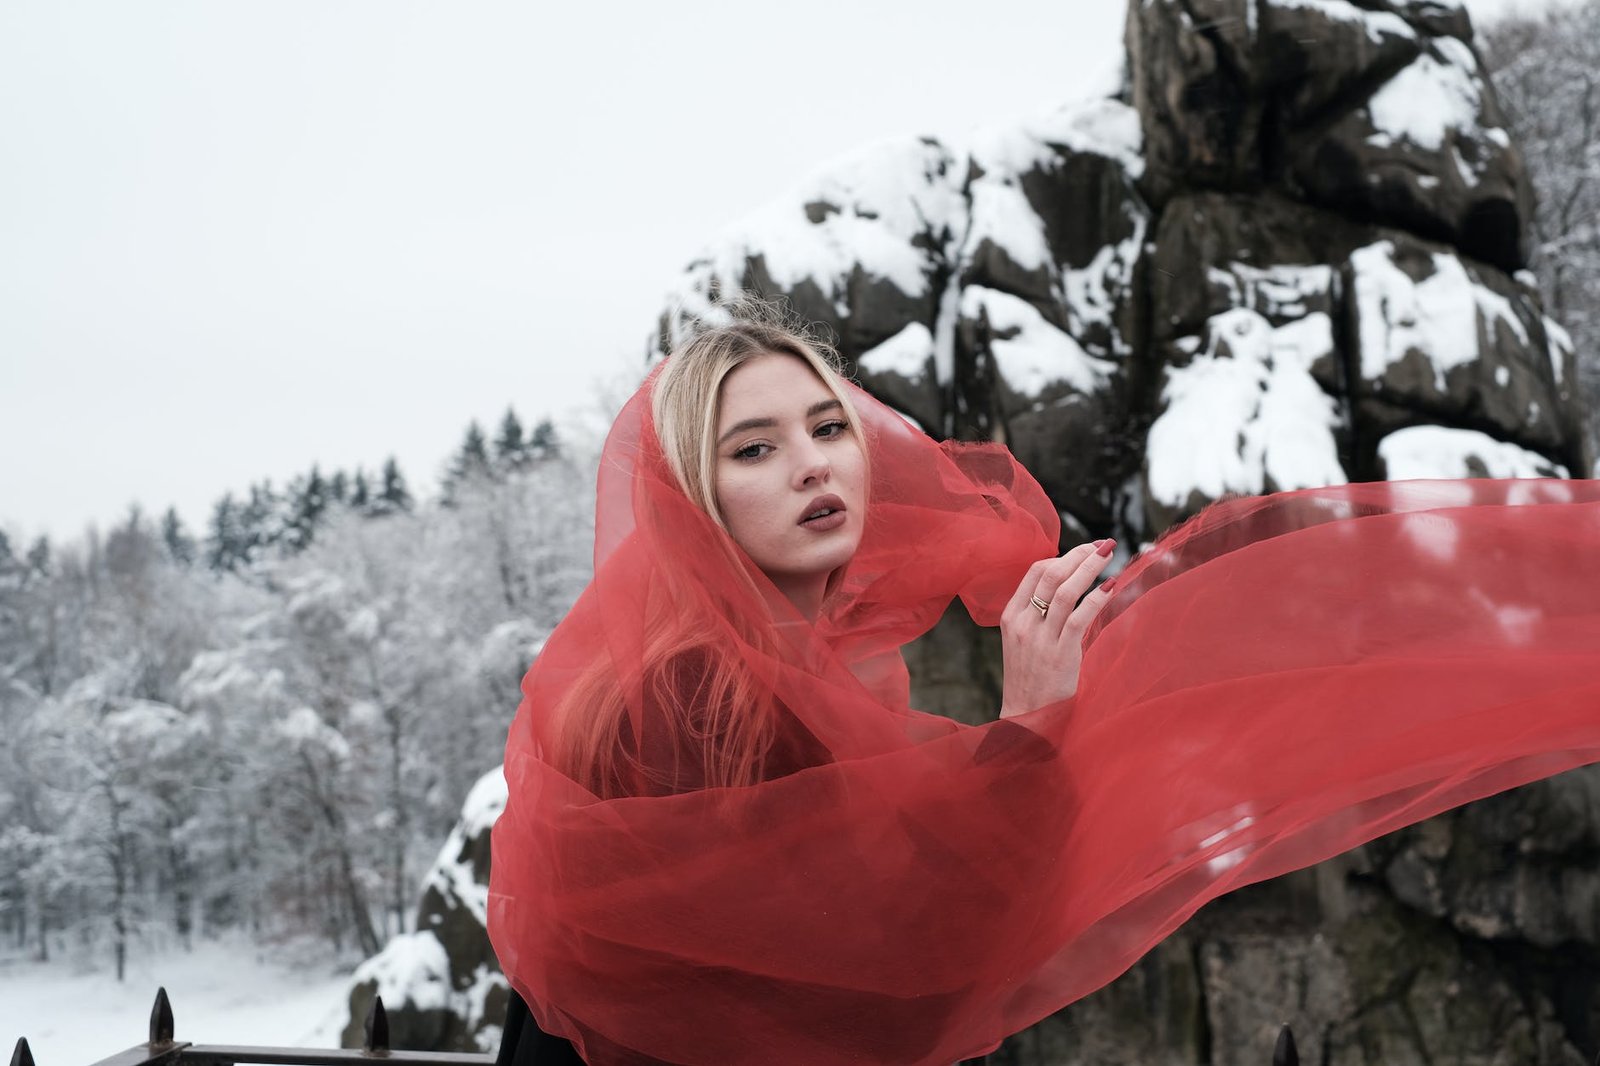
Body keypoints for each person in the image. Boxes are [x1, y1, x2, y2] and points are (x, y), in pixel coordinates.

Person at [490, 302, 1600, 1065]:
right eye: (755, 448)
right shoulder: (690, 701)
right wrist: (1028, 729)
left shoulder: (801, 671)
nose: (814, 462)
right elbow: (892, 969)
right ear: (693, 498)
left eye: (828, 427)